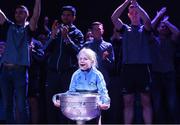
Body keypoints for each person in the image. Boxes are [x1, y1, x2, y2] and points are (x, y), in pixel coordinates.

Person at [111, 0, 152, 124]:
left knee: (146, 102)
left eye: (136, 12)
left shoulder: (144, 29)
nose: (134, 13)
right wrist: (126, 3)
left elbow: (148, 21)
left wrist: (137, 5)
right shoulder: (124, 29)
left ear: (139, 13)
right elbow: (114, 17)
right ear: (128, 15)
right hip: (128, 70)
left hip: (143, 69)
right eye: (131, 12)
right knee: (128, 103)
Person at [0, 0, 41, 123]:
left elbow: (36, 16)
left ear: (26, 15)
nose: (18, 14)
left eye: (22, 12)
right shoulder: (9, 26)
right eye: (17, 12)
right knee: (7, 105)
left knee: (21, 106)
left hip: (20, 71)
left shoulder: (29, 29)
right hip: (5, 71)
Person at [43, 5, 84, 123]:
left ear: (74, 17)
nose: (65, 17)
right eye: (64, 15)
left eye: (69, 15)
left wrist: (67, 39)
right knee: (51, 105)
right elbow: (45, 50)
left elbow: (79, 53)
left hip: (68, 75)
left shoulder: (77, 33)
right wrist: (52, 36)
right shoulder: (56, 30)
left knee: (66, 107)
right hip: (53, 74)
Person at [53, 48, 110, 124]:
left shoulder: (97, 75)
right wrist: (62, 101)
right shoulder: (76, 75)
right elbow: (71, 92)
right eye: (80, 59)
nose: (82, 61)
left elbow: (103, 91)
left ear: (92, 61)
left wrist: (105, 103)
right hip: (78, 109)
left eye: (85, 59)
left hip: (94, 108)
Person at [150, 7, 180, 123]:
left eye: (165, 27)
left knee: (172, 103)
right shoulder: (153, 40)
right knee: (157, 104)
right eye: (161, 26)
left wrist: (166, 21)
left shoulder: (171, 40)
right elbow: (149, 28)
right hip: (156, 74)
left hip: (169, 74)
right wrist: (159, 17)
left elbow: (177, 32)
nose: (163, 28)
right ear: (157, 29)